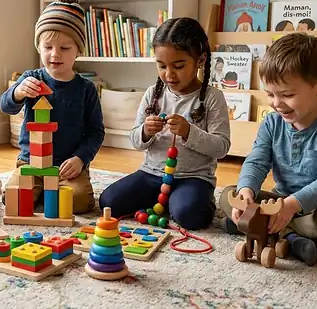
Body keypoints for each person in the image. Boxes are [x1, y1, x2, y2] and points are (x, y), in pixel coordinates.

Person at [219, 33, 317, 266]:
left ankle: (265, 227)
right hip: (280, 202)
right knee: (229, 196)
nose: (276, 103)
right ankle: (287, 235)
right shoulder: (272, 122)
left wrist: (291, 207)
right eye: (271, 94)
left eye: (287, 95)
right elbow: (257, 161)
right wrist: (247, 191)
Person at [98, 17, 231, 230]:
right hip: (152, 174)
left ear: (200, 60)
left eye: (178, 66)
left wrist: (189, 132)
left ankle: (182, 202)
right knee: (109, 202)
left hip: (193, 177)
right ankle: (166, 202)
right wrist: (145, 132)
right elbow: (135, 140)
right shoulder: (153, 94)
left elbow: (222, 147)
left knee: (190, 216)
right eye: (161, 66)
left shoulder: (213, 98)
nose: (169, 74)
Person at [0, 0, 104, 214]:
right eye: (47, 47)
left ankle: (52, 192)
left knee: (77, 202)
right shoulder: (31, 78)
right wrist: (17, 92)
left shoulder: (86, 89)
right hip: (31, 163)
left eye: (65, 48)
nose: (55, 54)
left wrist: (80, 159)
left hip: (68, 166)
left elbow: (96, 132)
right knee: (14, 200)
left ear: (78, 51)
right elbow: (5, 106)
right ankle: (43, 192)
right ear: (39, 48)